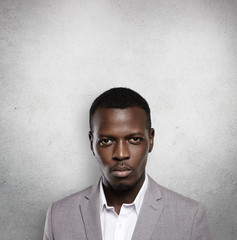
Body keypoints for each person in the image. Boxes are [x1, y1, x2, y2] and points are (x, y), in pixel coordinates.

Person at [43, 87, 211, 240]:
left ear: (151, 140)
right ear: (91, 142)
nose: (121, 154)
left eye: (134, 139)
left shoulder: (190, 217)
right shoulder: (58, 216)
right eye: (107, 141)